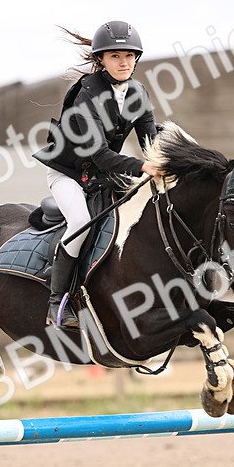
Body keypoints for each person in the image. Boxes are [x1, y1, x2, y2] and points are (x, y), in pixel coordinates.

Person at [33, 20, 162, 328]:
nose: (124, 62)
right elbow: (100, 155)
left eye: (129, 56)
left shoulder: (138, 93)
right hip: (68, 174)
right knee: (79, 222)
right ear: (101, 60)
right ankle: (57, 303)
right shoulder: (86, 94)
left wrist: (177, 156)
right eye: (115, 56)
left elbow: (150, 143)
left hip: (104, 174)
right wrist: (144, 166)